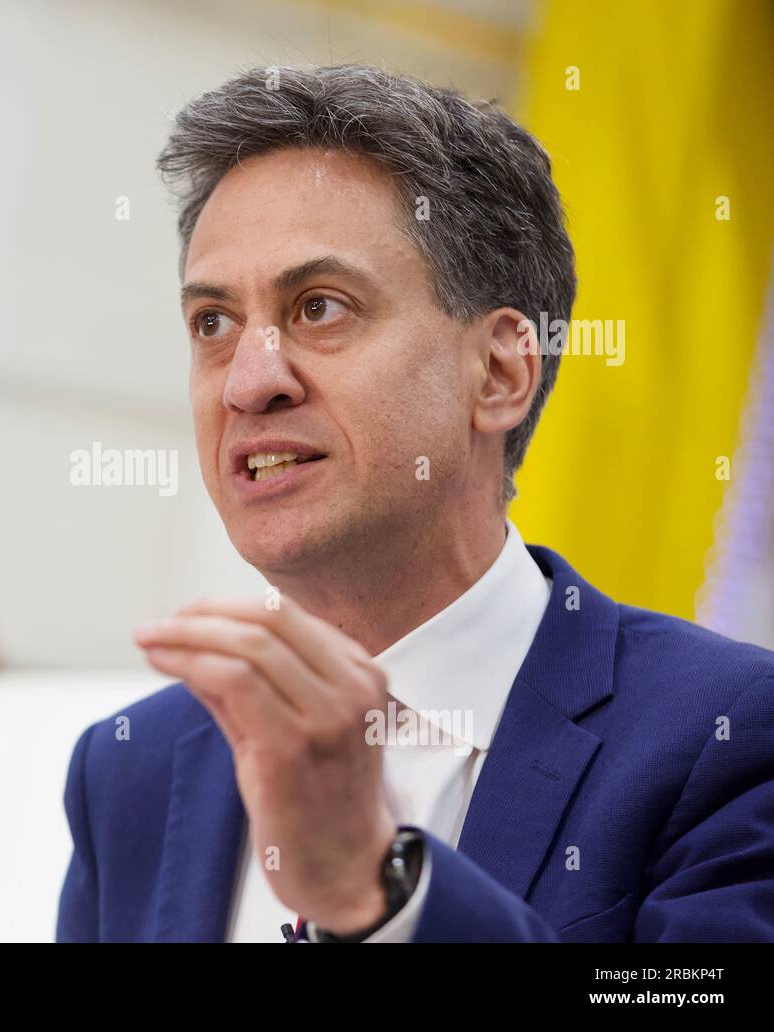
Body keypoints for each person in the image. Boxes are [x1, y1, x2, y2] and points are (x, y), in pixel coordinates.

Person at [54, 64, 774, 943]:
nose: (248, 381)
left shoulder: (729, 735)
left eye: (319, 307)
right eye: (213, 322)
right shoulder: (130, 769)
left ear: (502, 371)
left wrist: (379, 895)